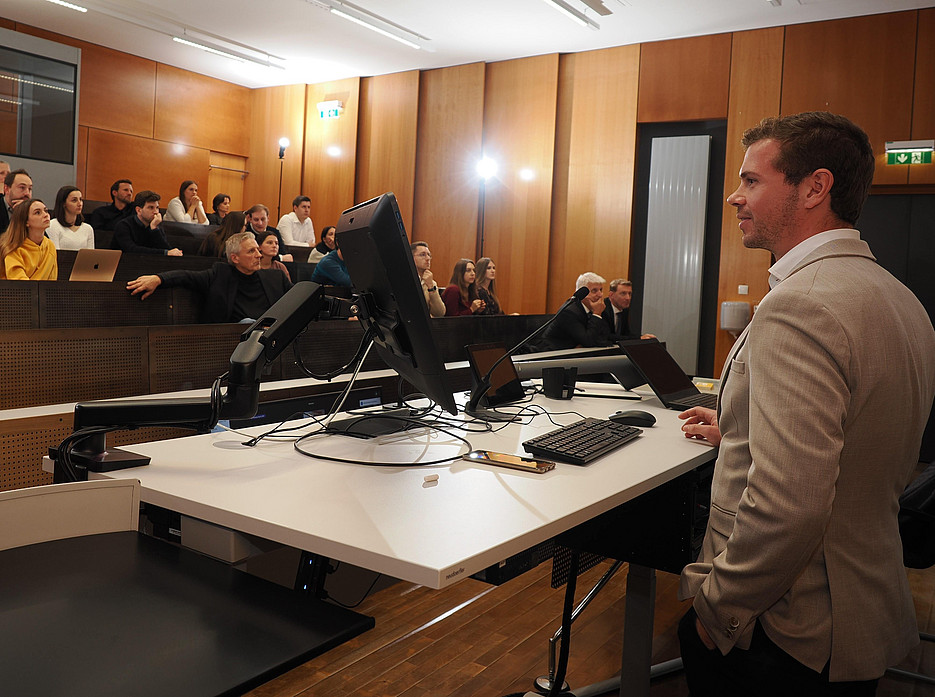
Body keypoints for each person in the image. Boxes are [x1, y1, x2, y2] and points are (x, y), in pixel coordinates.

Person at [676, 112, 935, 695]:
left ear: (815, 187)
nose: (733, 197)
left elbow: (788, 506)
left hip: (788, 628)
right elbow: (860, 431)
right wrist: (742, 427)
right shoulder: (899, 298)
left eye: (751, 181)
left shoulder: (801, 307)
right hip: (860, 609)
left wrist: (718, 610)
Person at [127, 231, 291, 323]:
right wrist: (158, 279)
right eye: (251, 251)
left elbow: (301, 298)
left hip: (272, 338)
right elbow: (186, 276)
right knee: (247, 323)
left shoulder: (276, 277)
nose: (258, 255)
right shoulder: (220, 274)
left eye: (258, 250)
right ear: (235, 258)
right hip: (232, 341)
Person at [530, 272, 613, 351]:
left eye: (601, 290)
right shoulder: (569, 312)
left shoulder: (598, 307)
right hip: (553, 354)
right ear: (581, 293)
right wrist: (597, 314)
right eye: (594, 291)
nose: (600, 295)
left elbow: (604, 337)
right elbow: (588, 341)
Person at [111, 191, 183, 256]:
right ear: (138, 210)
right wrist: (165, 252)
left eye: (157, 207)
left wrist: (154, 229)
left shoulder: (156, 225)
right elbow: (131, 250)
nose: (156, 212)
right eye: (151, 208)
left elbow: (165, 249)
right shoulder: (123, 225)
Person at [0, 198, 56, 280]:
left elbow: (52, 280)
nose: (45, 215)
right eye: (37, 213)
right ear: (26, 221)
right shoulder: (14, 247)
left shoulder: (50, 245)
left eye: (46, 211)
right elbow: (19, 284)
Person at [47, 185, 94, 251]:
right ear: (64, 203)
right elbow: (54, 255)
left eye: (80, 199)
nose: (79, 204)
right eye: (74, 200)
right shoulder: (53, 225)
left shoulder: (88, 228)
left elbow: (91, 256)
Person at [410, 241, 445, 318]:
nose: (428, 258)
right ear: (411, 258)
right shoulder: (405, 280)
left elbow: (440, 313)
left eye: (429, 255)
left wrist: (431, 288)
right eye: (423, 255)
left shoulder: (431, 283)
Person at [0, 169, 33, 234]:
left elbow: (42, 240)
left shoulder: (31, 212)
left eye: (30, 189)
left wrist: (25, 215)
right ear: (6, 189)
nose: (27, 193)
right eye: (22, 187)